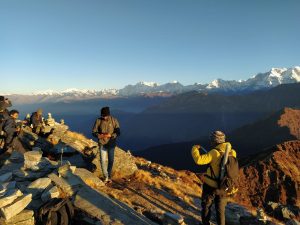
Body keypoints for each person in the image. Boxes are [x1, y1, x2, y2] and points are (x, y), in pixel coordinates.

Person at [191, 131, 237, 225]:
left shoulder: (214, 152)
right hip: (224, 186)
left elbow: (199, 160)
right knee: (220, 210)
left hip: (210, 185)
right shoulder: (232, 152)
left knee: (206, 206)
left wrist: (194, 149)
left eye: (212, 140)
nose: (210, 142)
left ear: (215, 141)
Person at [92, 107, 120, 183]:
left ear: (108, 114)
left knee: (111, 160)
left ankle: (109, 175)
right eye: (102, 115)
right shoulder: (98, 120)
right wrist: (99, 136)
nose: (104, 117)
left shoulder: (114, 120)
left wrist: (111, 135)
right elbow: (93, 132)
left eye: (105, 116)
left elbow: (118, 132)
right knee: (102, 161)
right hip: (102, 143)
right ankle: (106, 177)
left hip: (111, 144)